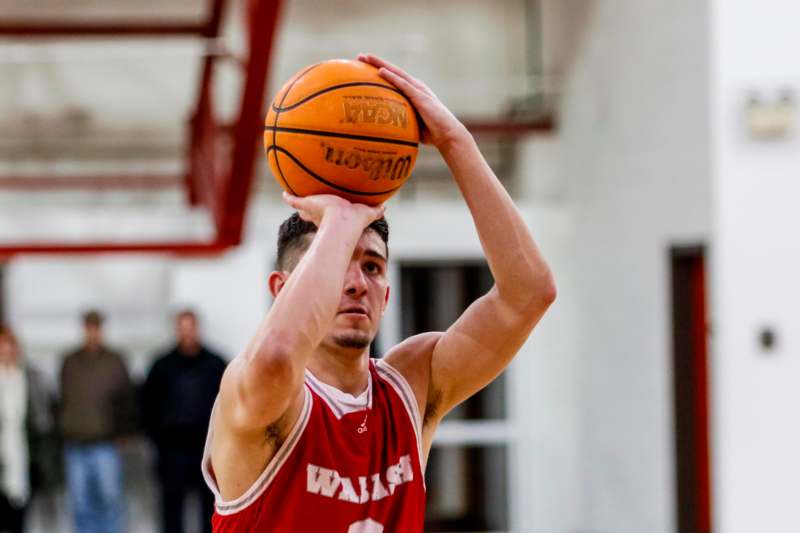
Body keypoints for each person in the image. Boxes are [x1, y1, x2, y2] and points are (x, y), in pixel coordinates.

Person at [201, 54, 557, 532]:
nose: (354, 282)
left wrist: (456, 141)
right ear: (281, 290)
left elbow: (529, 293)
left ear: (386, 296)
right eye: (332, 264)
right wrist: (344, 220)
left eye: (371, 266)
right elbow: (277, 357)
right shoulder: (263, 397)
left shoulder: (411, 387)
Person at [142, 310, 226, 533]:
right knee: (171, 510)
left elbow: (228, 406)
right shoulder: (161, 366)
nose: (187, 333)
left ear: (198, 329)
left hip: (207, 451)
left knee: (211, 510)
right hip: (171, 451)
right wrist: (157, 439)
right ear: (176, 330)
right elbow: (147, 405)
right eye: (183, 328)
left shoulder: (216, 364)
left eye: (191, 328)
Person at [59, 310, 137, 533]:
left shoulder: (115, 361)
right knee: (80, 504)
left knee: (111, 502)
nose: (93, 332)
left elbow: (127, 400)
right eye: (89, 327)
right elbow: (63, 397)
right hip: (76, 443)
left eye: (96, 327)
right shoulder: (70, 361)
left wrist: (124, 434)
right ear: (84, 329)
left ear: (101, 329)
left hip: (106, 443)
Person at [0, 326, 59, 533]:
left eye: (10, 347)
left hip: (24, 458)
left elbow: (45, 418)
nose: (6, 352)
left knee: (19, 518)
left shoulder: (32, 378)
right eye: (2, 347)